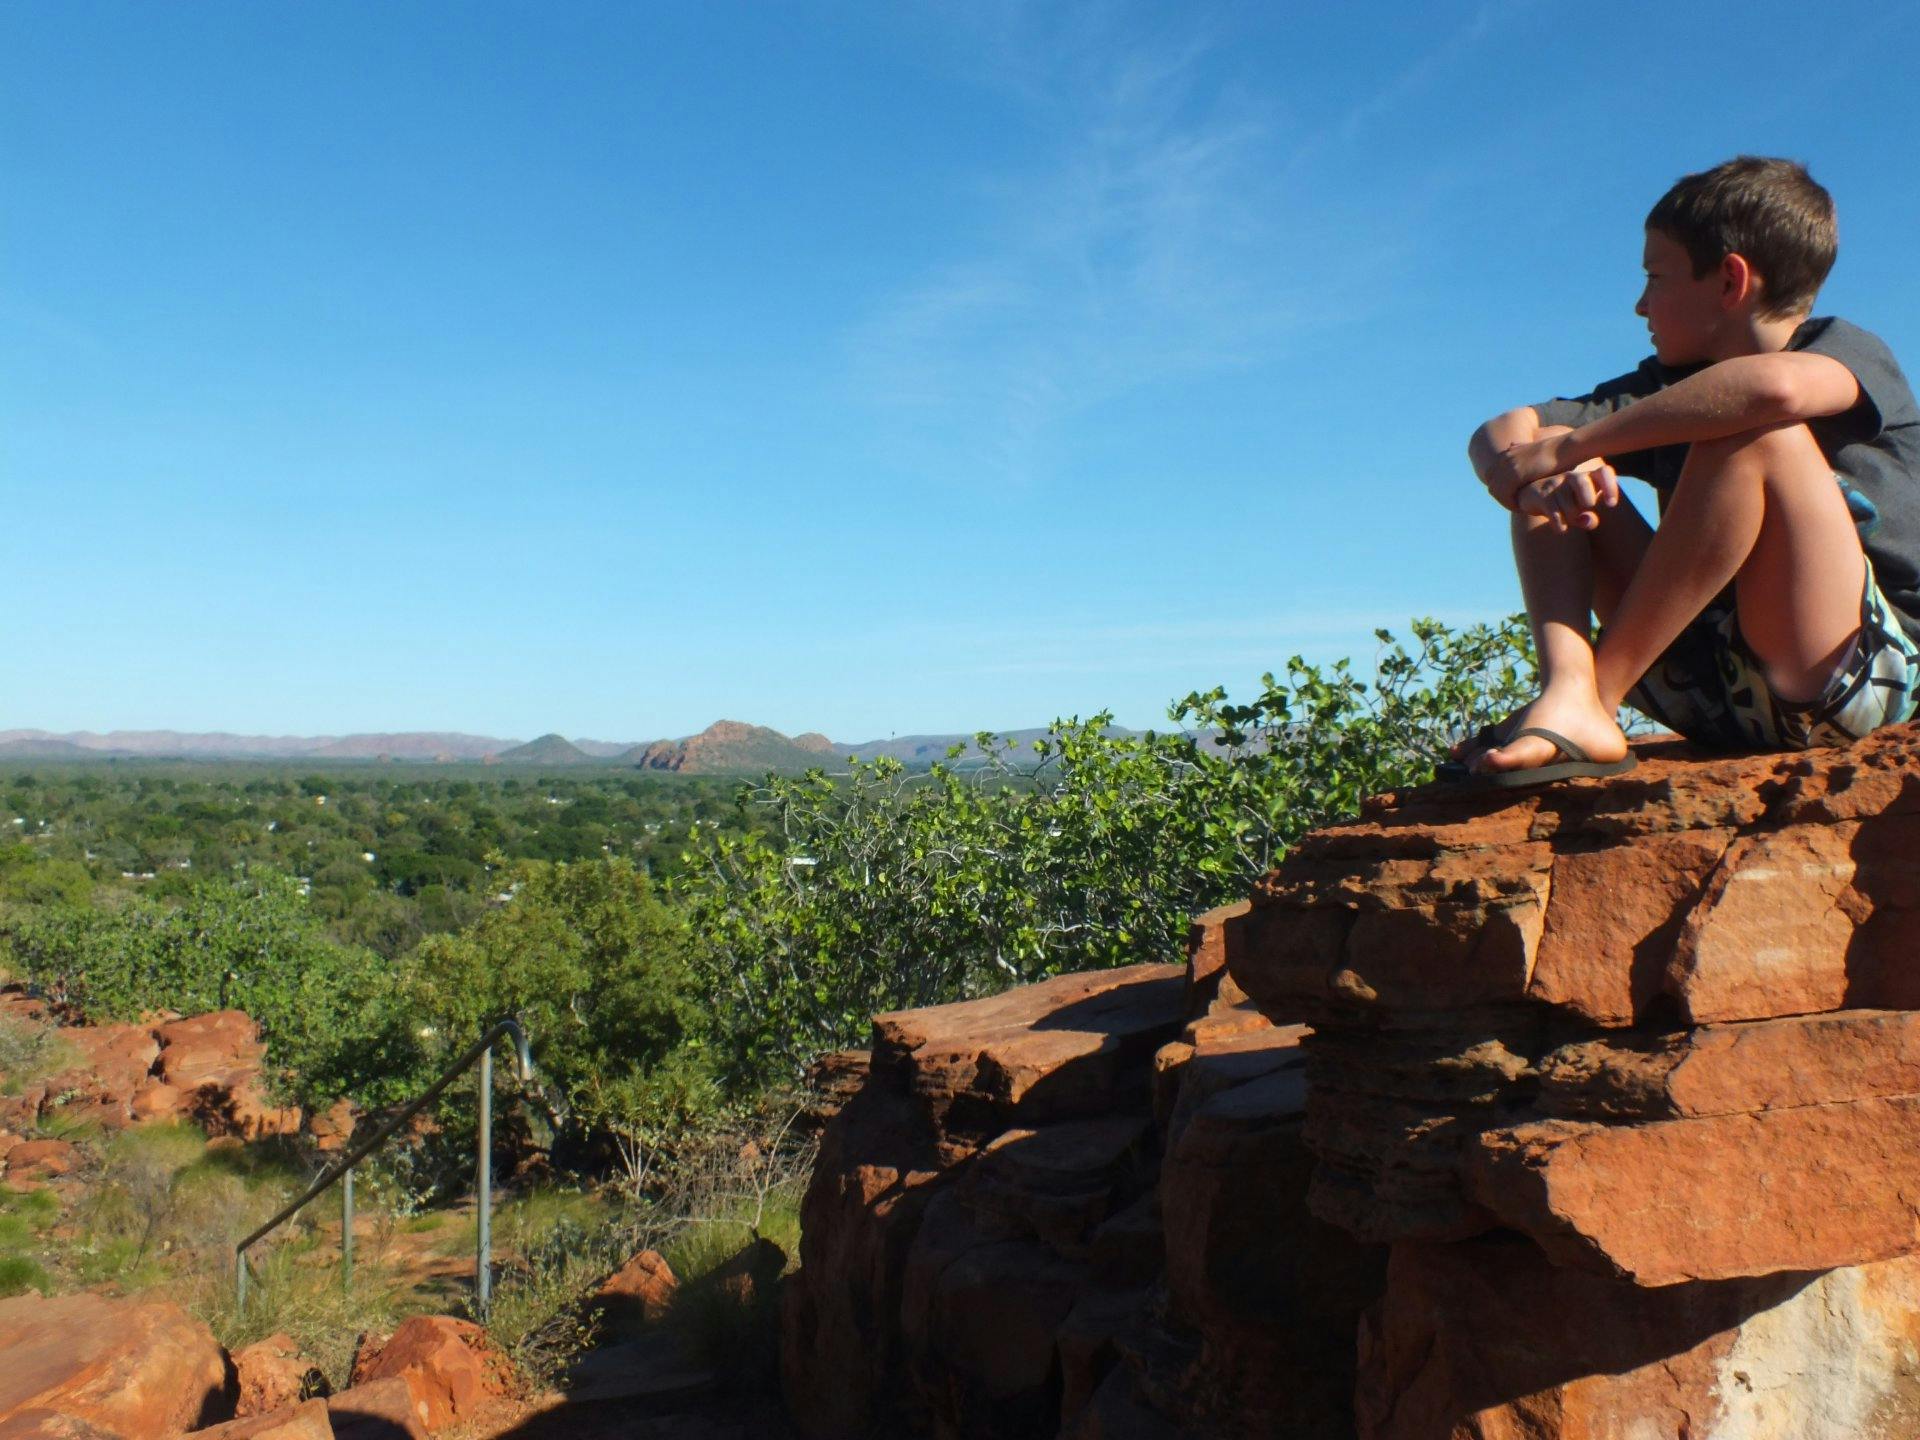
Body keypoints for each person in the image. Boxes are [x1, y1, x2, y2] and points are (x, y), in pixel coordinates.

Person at [1457, 155, 1920, 786]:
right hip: (1703, 690)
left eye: (1655, 278)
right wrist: (1527, 472)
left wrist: (1563, 452)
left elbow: (1774, 391)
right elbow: (1506, 429)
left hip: (1849, 682)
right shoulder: (1662, 388)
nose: (1641, 306)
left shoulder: (1845, 350)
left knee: (1754, 437)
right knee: (1564, 464)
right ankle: (1569, 688)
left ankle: (1597, 698)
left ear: (1730, 281)